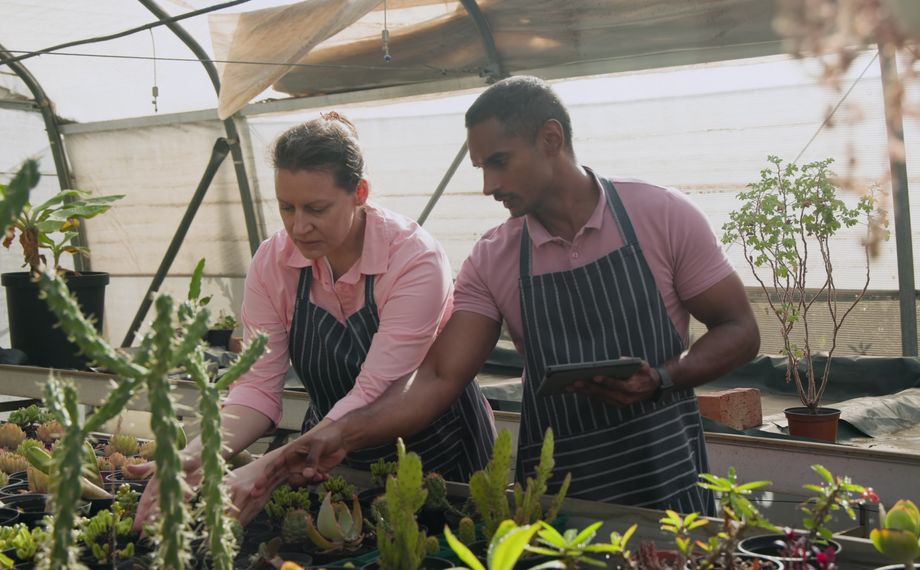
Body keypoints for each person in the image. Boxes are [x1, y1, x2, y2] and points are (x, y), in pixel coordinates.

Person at [235, 76, 760, 520]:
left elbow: (740, 331)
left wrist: (664, 377)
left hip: (665, 471)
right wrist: (342, 435)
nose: (488, 185)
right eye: (481, 167)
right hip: (555, 489)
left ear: (551, 139)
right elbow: (438, 377)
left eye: (500, 163)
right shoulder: (495, 257)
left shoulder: (661, 216)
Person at [133, 113, 495, 528]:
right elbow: (256, 386)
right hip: (327, 453)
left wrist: (271, 465)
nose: (298, 227)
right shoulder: (274, 262)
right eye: (286, 207)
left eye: (316, 208)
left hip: (437, 455)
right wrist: (195, 454)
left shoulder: (413, 260)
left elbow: (375, 391)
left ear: (360, 192)